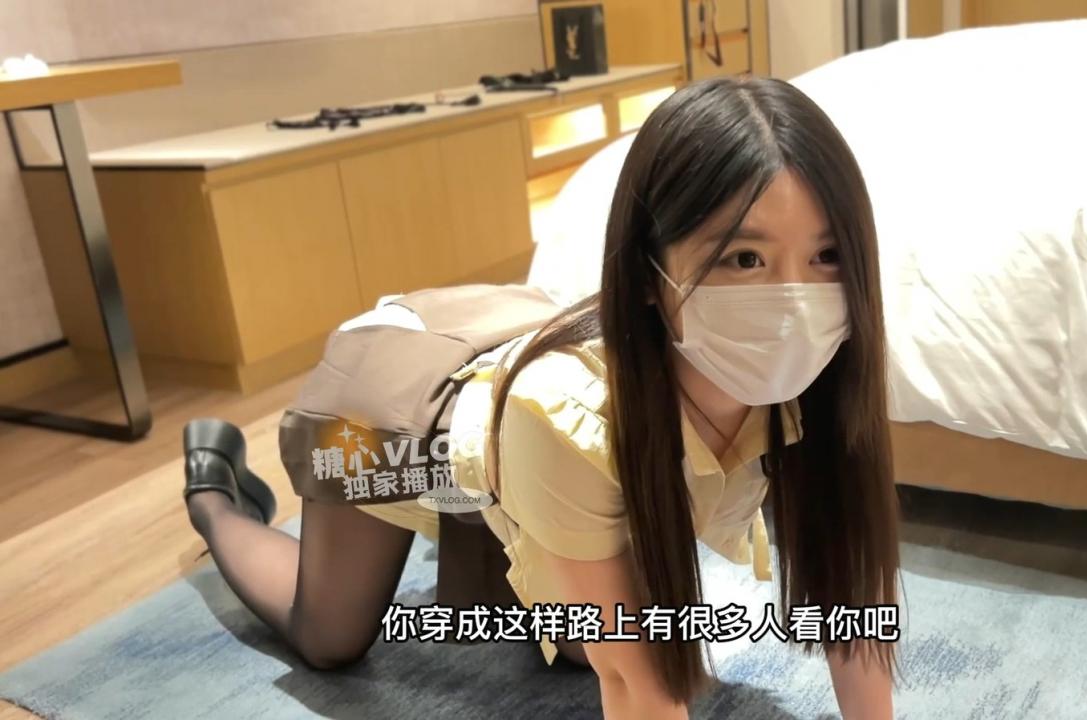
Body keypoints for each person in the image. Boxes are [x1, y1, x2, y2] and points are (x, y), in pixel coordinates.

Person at [181, 75, 901, 720]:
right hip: (396, 412)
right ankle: (215, 496)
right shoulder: (568, 416)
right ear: (648, 275)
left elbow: (857, 606)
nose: (794, 304)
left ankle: (513, 551)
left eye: (827, 255)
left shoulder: (823, 371)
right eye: (744, 258)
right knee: (329, 636)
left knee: (583, 630)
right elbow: (637, 684)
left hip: (517, 427)